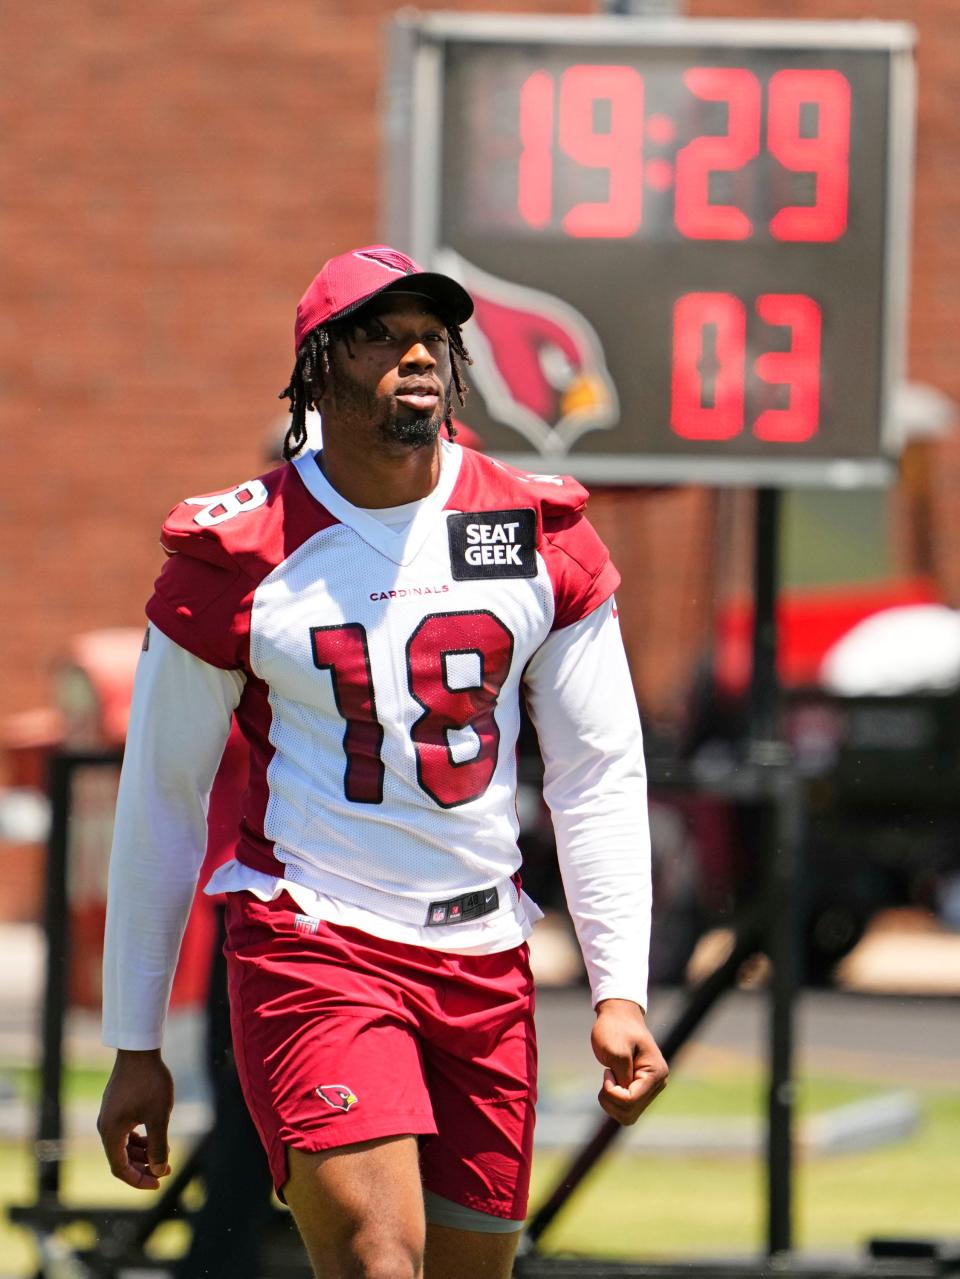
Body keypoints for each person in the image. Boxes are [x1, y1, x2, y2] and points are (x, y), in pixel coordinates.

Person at [97, 244, 667, 1279]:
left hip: (486, 951)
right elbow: (163, 800)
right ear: (318, 368)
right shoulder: (240, 551)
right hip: (316, 935)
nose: (414, 354)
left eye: (431, 336)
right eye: (379, 333)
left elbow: (597, 772)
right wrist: (135, 1043)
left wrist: (619, 985)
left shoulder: (537, 533)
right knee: (376, 1254)